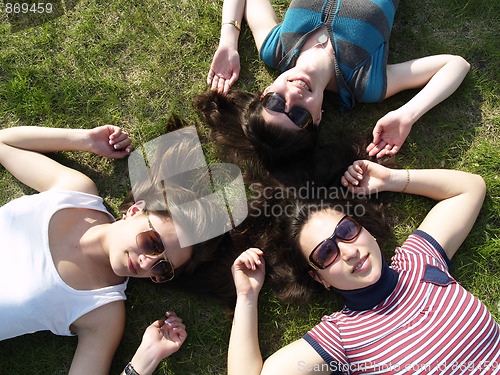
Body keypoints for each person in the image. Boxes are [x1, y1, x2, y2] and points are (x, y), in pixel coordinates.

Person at [228, 160, 500, 374]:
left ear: (364, 229)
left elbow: (470, 188)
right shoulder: (341, 338)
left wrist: (392, 179)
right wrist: (247, 296)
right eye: (326, 252)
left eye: (347, 230)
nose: (348, 251)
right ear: (319, 278)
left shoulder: (419, 258)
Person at [0, 125, 223, 374]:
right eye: (153, 242)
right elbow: (4, 144)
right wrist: (85, 140)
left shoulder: (102, 313)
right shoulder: (76, 192)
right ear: (135, 211)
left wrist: (143, 361)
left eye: (162, 267)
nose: (147, 263)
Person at [199, 0, 470, 167]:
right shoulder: (365, 82)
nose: (292, 98)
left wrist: (228, 41)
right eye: (298, 115)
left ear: (265, 93)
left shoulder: (276, 49)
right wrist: (407, 115)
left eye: (276, 102)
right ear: (317, 119)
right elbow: (456, 65)